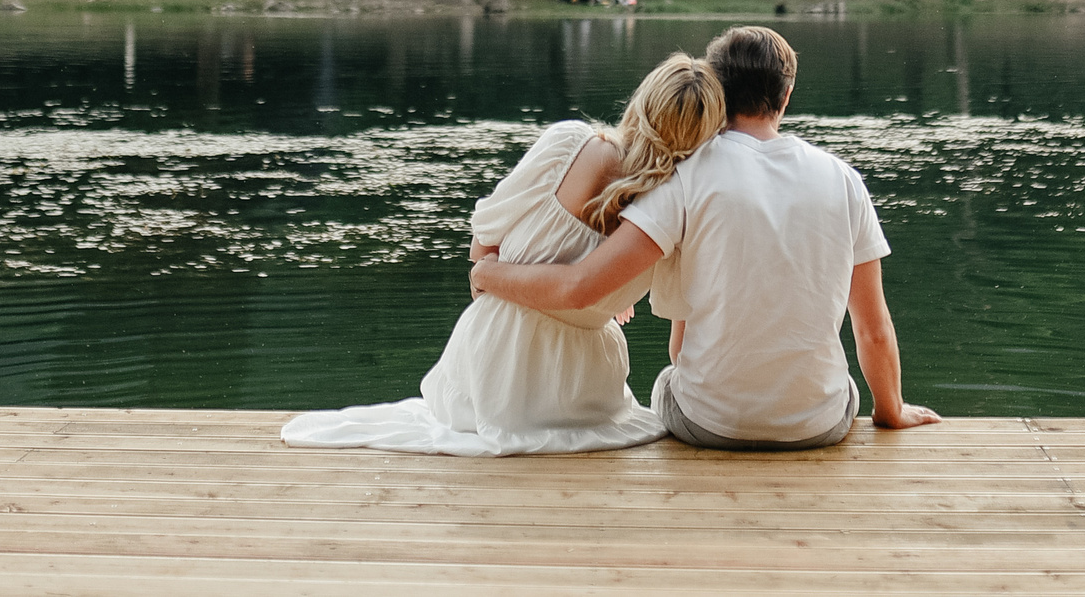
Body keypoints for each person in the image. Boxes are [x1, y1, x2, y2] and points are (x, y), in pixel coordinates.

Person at [472, 25, 938, 450]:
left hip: (709, 425)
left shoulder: (683, 177)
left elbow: (644, 326)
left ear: (717, 91)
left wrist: (487, 272)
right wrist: (891, 410)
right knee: (840, 385)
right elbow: (872, 328)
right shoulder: (845, 181)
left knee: (671, 378)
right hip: (818, 426)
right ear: (787, 95)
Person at [281, 54, 727, 456]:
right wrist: (606, 296)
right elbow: (662, 308)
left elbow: (485, 237)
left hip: (498, 363)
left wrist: (487, 277)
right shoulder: (682, 207)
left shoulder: (573, 145)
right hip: (591, 388)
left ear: (642, 103)